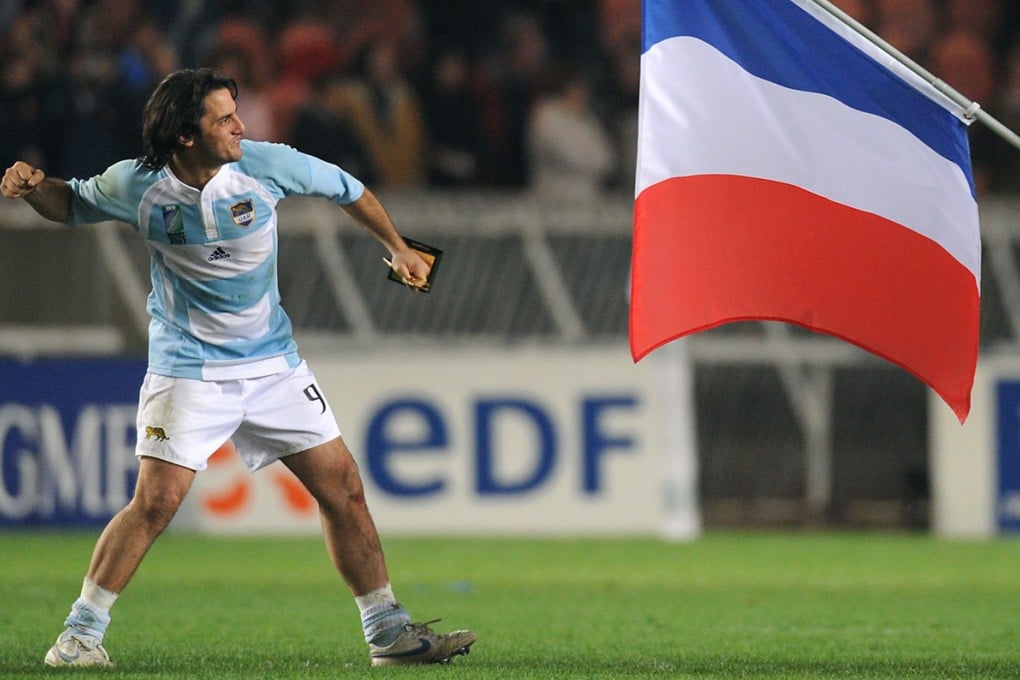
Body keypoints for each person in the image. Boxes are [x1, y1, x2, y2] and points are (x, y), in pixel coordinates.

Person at [0, 67, 476, 668]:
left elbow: (346, 187)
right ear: (185, 137)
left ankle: (387, 632)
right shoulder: (136, 185)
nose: (240, 126)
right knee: (156, 503)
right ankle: (78, 637)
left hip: (274, 365)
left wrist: (398, 246)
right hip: (189, 368)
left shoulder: (264, 163)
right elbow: (69, 204)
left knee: (345, 490)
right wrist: (33, 184)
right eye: (224, 119)